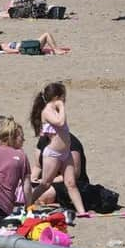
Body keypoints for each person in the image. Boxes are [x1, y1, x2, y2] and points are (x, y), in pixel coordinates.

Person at [28, 83, 86, 214]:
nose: (64, 100)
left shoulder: (57, 110)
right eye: (62, 97)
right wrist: (61, 106)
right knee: (45, 184)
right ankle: (28, 202)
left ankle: (82, 212)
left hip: (66, 153)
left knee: (71, 183)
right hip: (53, 154)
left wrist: (60, 107)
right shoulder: (47, 111)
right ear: (56, 97)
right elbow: (60, 122)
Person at [0, 33, 68, 55]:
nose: (3, 42)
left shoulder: (5, 46)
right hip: (26, 46)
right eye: (2, 43)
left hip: (27, 45)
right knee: (46, 35)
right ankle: (56, 50)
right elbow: (15, 51)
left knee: (46, 36)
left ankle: (56, 49)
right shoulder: (4, 47)